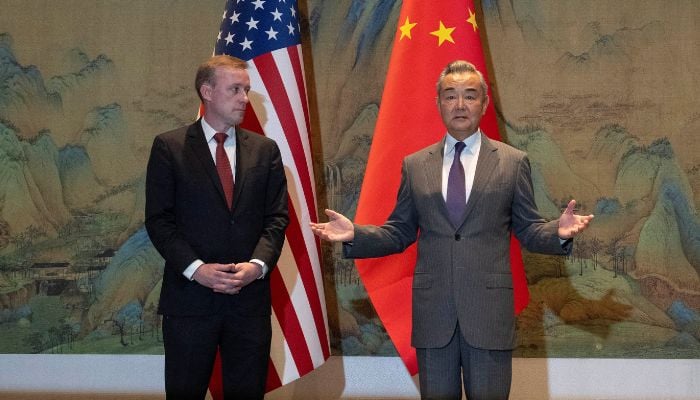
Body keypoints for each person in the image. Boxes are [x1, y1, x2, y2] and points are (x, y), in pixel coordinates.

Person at [310, 60, 593, 400]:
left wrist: (558, 233)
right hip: (434, 318)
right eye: (450, 96)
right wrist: (356, 234)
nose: (460, 105)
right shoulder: (415, 165)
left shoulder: (512, 161)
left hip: (488, 315)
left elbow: (530, 230)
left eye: (470, 96)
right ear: (438, 103)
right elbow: (399, 232)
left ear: (484, 104)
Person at [145, 55, 289, 399]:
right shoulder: (170, 147)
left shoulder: (265, 151)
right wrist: (197, 270)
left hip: (248, 303)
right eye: (235, 89)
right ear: (207, 91)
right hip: (190, 302)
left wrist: (257, 267)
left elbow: (277, 218)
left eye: (246, 90)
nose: (244, 98)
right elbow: (159, 220)